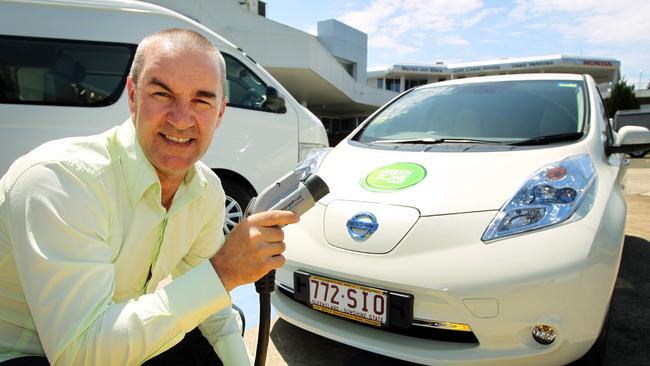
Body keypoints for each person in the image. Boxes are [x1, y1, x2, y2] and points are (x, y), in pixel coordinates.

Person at [0, 28, 298, 365]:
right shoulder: (63, 179)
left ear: (220, 113)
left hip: (114, 341)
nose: (182, 119)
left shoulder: (205, 191)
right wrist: (223, 271)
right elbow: (78, 355)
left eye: (201, 100)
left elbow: (214, 314)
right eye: (162, 94)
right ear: (132, 96)